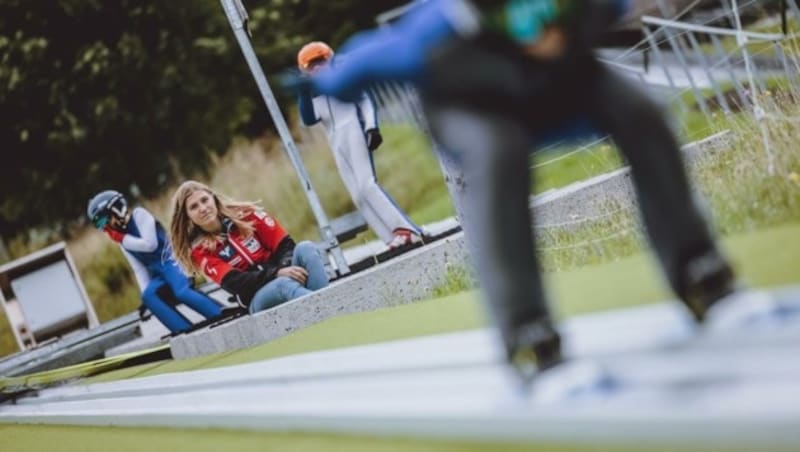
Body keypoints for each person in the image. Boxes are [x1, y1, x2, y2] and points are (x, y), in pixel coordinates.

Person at [294, 0, 769, 378]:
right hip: (475, 113)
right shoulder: (433, 32)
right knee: (499, 154)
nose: (541, 39)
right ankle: (527, 332)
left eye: (548, 25)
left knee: (641, 111)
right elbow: (354, 67)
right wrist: (317, 79)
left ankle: (700, 272)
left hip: (564, 93)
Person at [296, 41, 424, 249]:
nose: (318, 67)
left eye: (321, 61)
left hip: (354, 128)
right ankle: (390, 237)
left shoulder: (343, 80)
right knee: (357, 193)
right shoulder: (314, 91)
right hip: (335, 139)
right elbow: (310, 120)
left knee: (367, 184)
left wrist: (372, 128)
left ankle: (406, 228)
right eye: (312, 65)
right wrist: (302, 94)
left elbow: (365, 101)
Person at [169, 181, 329, 314]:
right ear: (187, 216)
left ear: (214, 199)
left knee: (306, 248)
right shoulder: (200, 251)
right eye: (194, 207)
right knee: (284, 285)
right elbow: (236, 283)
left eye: (204, 200)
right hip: (255, 297)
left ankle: (329, 304)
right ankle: (326, 311)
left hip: (281, 272)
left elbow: (285, 246)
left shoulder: (246, 215)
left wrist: (284, 269)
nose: (203, 208)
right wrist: (275, 274)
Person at [87, 190, 224, 334]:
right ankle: (182, 329)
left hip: (172, 261)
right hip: (159, 274)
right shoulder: (123, 240)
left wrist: (123, 239)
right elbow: (139, 269)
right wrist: (145, 295)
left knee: (182, 292)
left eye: (104, 220)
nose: (105, 227)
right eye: (100, 224)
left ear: (116, 209)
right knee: (148, 295)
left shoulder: (139, 215)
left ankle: (218, 312)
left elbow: (150, 244)